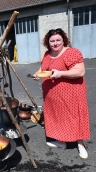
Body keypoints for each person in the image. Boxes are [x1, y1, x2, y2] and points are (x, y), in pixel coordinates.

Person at [33, 28, 90, 159]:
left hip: (71, 94)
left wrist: (61, 73)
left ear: (64, 40)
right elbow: (43, 68)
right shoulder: (47, 54)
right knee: (58, 116)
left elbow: (80, 71)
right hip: (52, 95)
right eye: (52, 41)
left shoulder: (71, 52)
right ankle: (61, 141)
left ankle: (80, 144)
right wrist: (37, 74)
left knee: (74, 116)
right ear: (48, 42)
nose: (55, 43)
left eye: (58, 40)